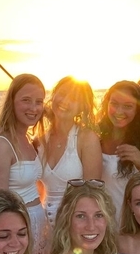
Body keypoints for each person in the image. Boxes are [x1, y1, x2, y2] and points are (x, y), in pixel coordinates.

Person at [0, 74, 48, 254]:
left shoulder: (29, 140)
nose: (33, 108)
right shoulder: (1, 144)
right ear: (11, 102)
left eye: (39, 102)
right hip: (16, 231)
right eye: (26, 100)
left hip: (37, 223)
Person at [40, 77, 102, 228]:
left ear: (82, 107)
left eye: (74, 98)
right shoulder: (40, 139)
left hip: (74, 225)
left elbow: (92, 194)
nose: (66, 101)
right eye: (62, 94)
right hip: (42, 224)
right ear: (53, 95)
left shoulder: (86, 138)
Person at [98, 80, 140, 224]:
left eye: (128, 106)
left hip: (130, 223)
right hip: (98, 222)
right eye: (114, 104)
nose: (119, 111)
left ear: (137, 109)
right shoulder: (95, 138)